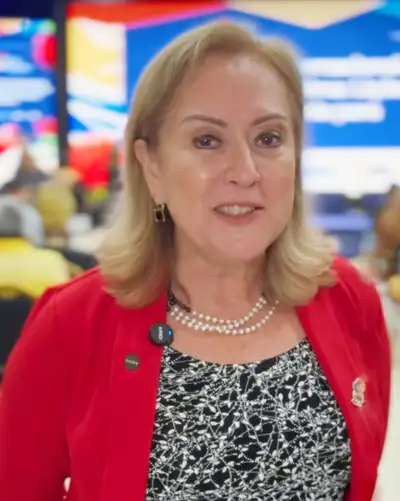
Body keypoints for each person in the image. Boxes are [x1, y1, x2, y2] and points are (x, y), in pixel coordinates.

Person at [0, 22, 390, 501]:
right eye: (207, 140)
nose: (245, 171)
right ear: (152, 166)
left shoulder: (348, 299)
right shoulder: (71, 322)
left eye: (269, 138)